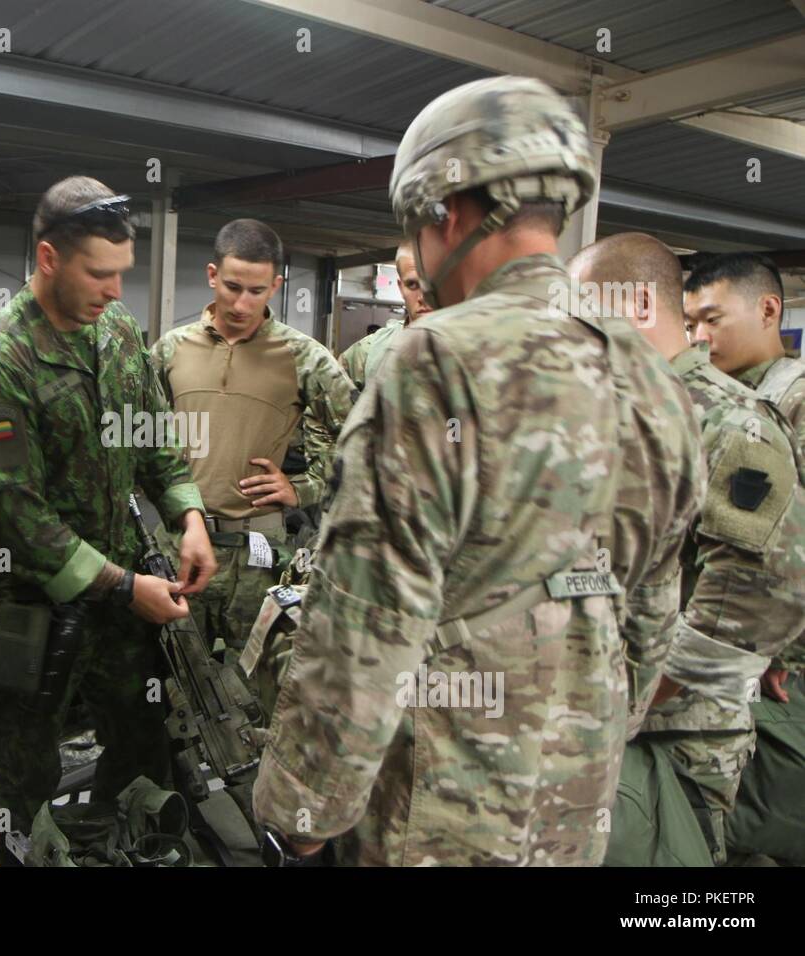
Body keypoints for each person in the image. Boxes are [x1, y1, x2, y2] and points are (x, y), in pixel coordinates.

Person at [251, 76, 704, 866]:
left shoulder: (437, 360)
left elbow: (367, 620)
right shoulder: (652, 375)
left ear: (445, 214)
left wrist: (303, 809)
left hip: (436, 805)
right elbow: (651, 610)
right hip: (577, 799)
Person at [0, 175, 216, 864]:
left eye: (122, 274)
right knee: (23, 776)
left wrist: (188, 516)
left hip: (129, 612)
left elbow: (155, 439)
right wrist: (128, 587)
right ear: (47, 259)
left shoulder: (120, 332)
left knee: (142, 752)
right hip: (32, 618)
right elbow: (20, 520)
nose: (116, 291)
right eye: (99, 274)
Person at [571, 232, 805, 865]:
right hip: (606, 713)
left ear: (640, 303)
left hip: (681, 733)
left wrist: (648, 693)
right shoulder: (619, 413)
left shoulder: (728, 422)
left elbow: (766, 595)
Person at [149, 218, 352, 664]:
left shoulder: (304, 358)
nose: (242, 303)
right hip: (180, 548)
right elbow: (143, 441)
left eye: (256, 291)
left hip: (259, 560)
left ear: (277, 285)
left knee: (258, 696)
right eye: (232, 286)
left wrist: (305, 488)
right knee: (175, 691)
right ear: (211, 275)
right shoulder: (169, 351)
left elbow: (361, 439)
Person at [685, 253, 805, 688]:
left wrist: (785, 653)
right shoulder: (721, 399)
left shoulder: (794, 397)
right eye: (690, 324)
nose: (699, 338)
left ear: (769, 310)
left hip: (777, 661)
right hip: (731, 639)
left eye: (712, 320)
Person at [339, 239, 433, 394]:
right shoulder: (368, 352)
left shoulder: (479, 347)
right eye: (413, 285)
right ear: (401, 287)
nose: (423, 297)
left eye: (432, 284)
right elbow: (327, 411)